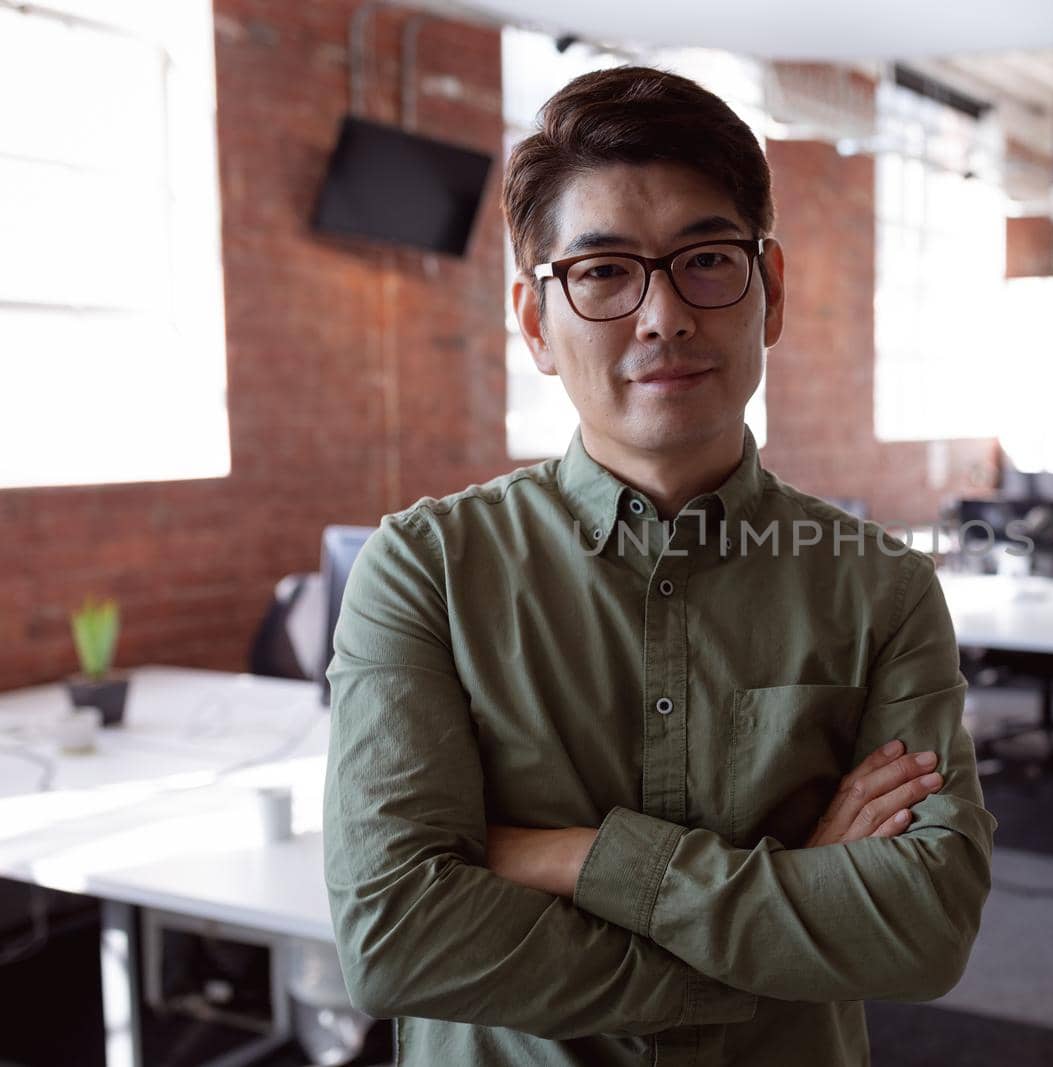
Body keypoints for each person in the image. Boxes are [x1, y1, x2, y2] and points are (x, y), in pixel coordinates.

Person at [323, 65, 995, 1066]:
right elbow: (396, 933)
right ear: (534, 321)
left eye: (706, 259)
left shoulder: (875, 583)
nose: (663, 315)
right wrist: (785, 906)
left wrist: (574, 855)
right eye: (602, 272)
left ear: (768, 291)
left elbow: (923, 923)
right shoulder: (427, 568)